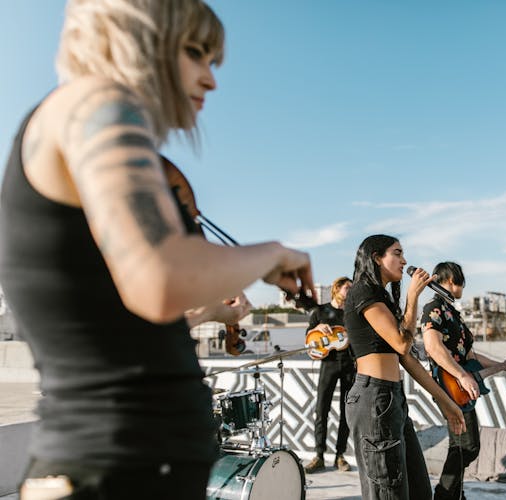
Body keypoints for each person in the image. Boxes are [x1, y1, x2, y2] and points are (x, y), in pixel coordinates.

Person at [0, 1, 315, 499]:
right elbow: (160, 278)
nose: (210, 80)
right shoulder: (96, 101)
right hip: (111, 473)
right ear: (136, 39)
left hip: (129, 470)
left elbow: (131, 320)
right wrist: (271, 255)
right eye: (194, 53)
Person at [343, 234, 466, 500]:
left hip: (391, 398)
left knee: (418, 490)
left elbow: (407, 358)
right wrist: (413, 296)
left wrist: (445, 401)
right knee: (389, 491)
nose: (404, 260)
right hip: (373, 397)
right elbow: (401, 342)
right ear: (376, 258)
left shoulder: (382, 298)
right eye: (397, 253)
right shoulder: (363, 291)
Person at [421, 262, 506, 500]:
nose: (462, 287)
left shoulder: (451, 312)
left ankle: (454, 494)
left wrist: (503, 364)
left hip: (461, 386)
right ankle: (444, 495)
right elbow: (432, 348)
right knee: (466, 446)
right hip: (449, 385)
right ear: (451, 281)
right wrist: (462, 375)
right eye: (460, 281)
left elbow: (470, 355)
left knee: (464, 445)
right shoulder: (433, 308)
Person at [303, 276, 356, 473]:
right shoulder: (320, 311)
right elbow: (308, 339)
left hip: (350, 365)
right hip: (328, 364)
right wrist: (317, 328)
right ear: (337, 288)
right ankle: (318, 455)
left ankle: (339, 456)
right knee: (321, 408)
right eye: (347, 288)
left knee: (346, 412)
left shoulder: (352, 312)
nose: (349, 291)